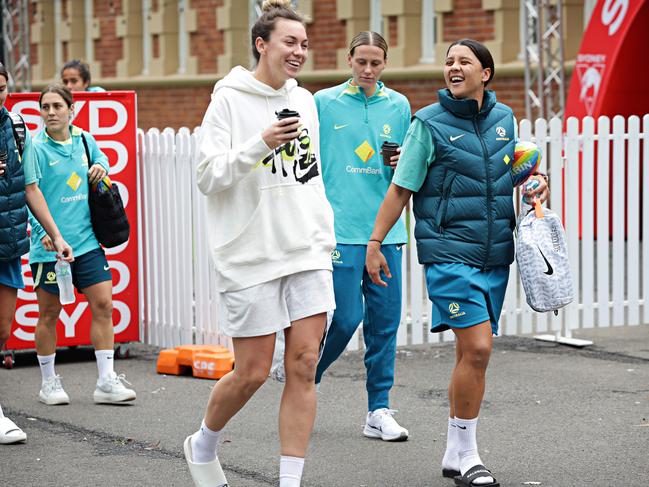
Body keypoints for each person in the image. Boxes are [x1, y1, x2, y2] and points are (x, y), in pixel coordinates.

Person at [365, 39, 549, 487]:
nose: (453, 67)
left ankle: (453, 452)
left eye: (463, 61)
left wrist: (535, 183)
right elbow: (400, 188)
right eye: (449, 61)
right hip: (447, 252)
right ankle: (468, 455)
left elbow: (512, 173)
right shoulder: (426, 124)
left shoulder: (504, 120)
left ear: (485, 73)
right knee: (481, 348)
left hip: (494, 253)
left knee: (471, 353)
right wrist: (375, 242)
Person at [184, 1, 336, 486]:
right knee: (251, 371)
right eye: (289, 42)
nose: (299, 52)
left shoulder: (306, 101)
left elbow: (310, 176)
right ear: (262, 43)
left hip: (306, 248)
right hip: (250, 254)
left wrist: (325, 233)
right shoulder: (228, 100)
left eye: (304, 44)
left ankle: (290, 481)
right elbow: (209, 176)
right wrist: (260, 143)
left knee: (305, 363)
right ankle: (204, 441)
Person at [313, 31, 411, 441]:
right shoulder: (323, 102)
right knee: (346, 317)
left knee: (384, 323)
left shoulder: (400, 105)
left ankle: (379, 410)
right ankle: (305, 374)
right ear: (349, 59)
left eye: (375, 63)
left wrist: (402, 161)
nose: (368, 70)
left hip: (386, 230)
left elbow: (406, 170)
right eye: (361, 62)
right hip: (340, 229)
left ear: (385, 63)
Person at [30, 84, 136, 406]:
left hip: (87, 242)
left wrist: (101, 168)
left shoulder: (85, 140)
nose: (51, 112)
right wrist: (41, 232)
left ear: (71, 110)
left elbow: (102, 164)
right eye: (46, 107)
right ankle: (49, 383)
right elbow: (27, 195)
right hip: (49, 247)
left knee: (103, 304)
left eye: (57, 106)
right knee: (50, 313)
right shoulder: (34, 147)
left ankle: (105, 380)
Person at [0, 64, 73, 444]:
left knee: (3, 327)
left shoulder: (15, 129)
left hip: (7, 244)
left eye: (0, 89)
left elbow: (30, 189)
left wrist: (55, 235)